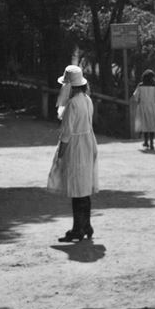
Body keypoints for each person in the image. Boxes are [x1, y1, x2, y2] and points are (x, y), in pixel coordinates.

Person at [47, 65, 99, 242]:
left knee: (77, 189)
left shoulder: (72, 104)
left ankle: (78, 228)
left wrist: (60, 153)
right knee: (84, 187)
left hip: (75, 147)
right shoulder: (87, 99)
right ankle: (86, 224)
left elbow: (67, 132)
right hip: (87, 143)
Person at [132, 69, 155, 150]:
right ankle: (152, 143)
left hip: (142, 106)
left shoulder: (140, 85)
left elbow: (135, 96)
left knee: (144, 124)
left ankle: (146, 141)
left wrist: (139, 101)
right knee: (152, 124)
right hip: (152, 106)